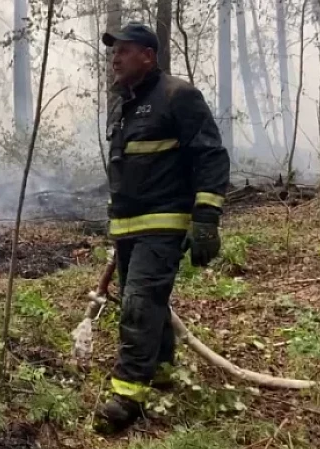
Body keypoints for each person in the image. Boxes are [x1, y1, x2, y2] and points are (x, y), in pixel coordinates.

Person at [95, 22, 231, 434]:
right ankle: (161, 371)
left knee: (139, 303)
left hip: (164, 225)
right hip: (129, 229)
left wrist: (206, 218)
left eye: (124, 50)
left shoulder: (178, 96)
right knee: (145, 303)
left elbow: (210, 156)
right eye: (112, 51)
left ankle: (127, 397)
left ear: (148, 56)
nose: (114, 58)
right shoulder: (123, 105)